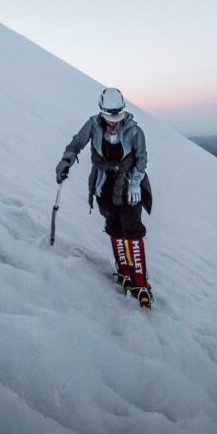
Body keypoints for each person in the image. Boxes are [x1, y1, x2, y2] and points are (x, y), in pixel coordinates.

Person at [55, 87, 153, 307]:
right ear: (101, 111)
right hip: (104, 184)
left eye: (116, 114)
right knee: (114, 226)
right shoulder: (92, 124)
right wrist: (66, 160)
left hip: (129, 184)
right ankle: (124, 271)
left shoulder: (135, 131)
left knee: (132, 227)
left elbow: (142, 159)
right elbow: (76, 144)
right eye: (109, 115)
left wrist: (136, 182)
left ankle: (140, 281)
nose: (112, 121)